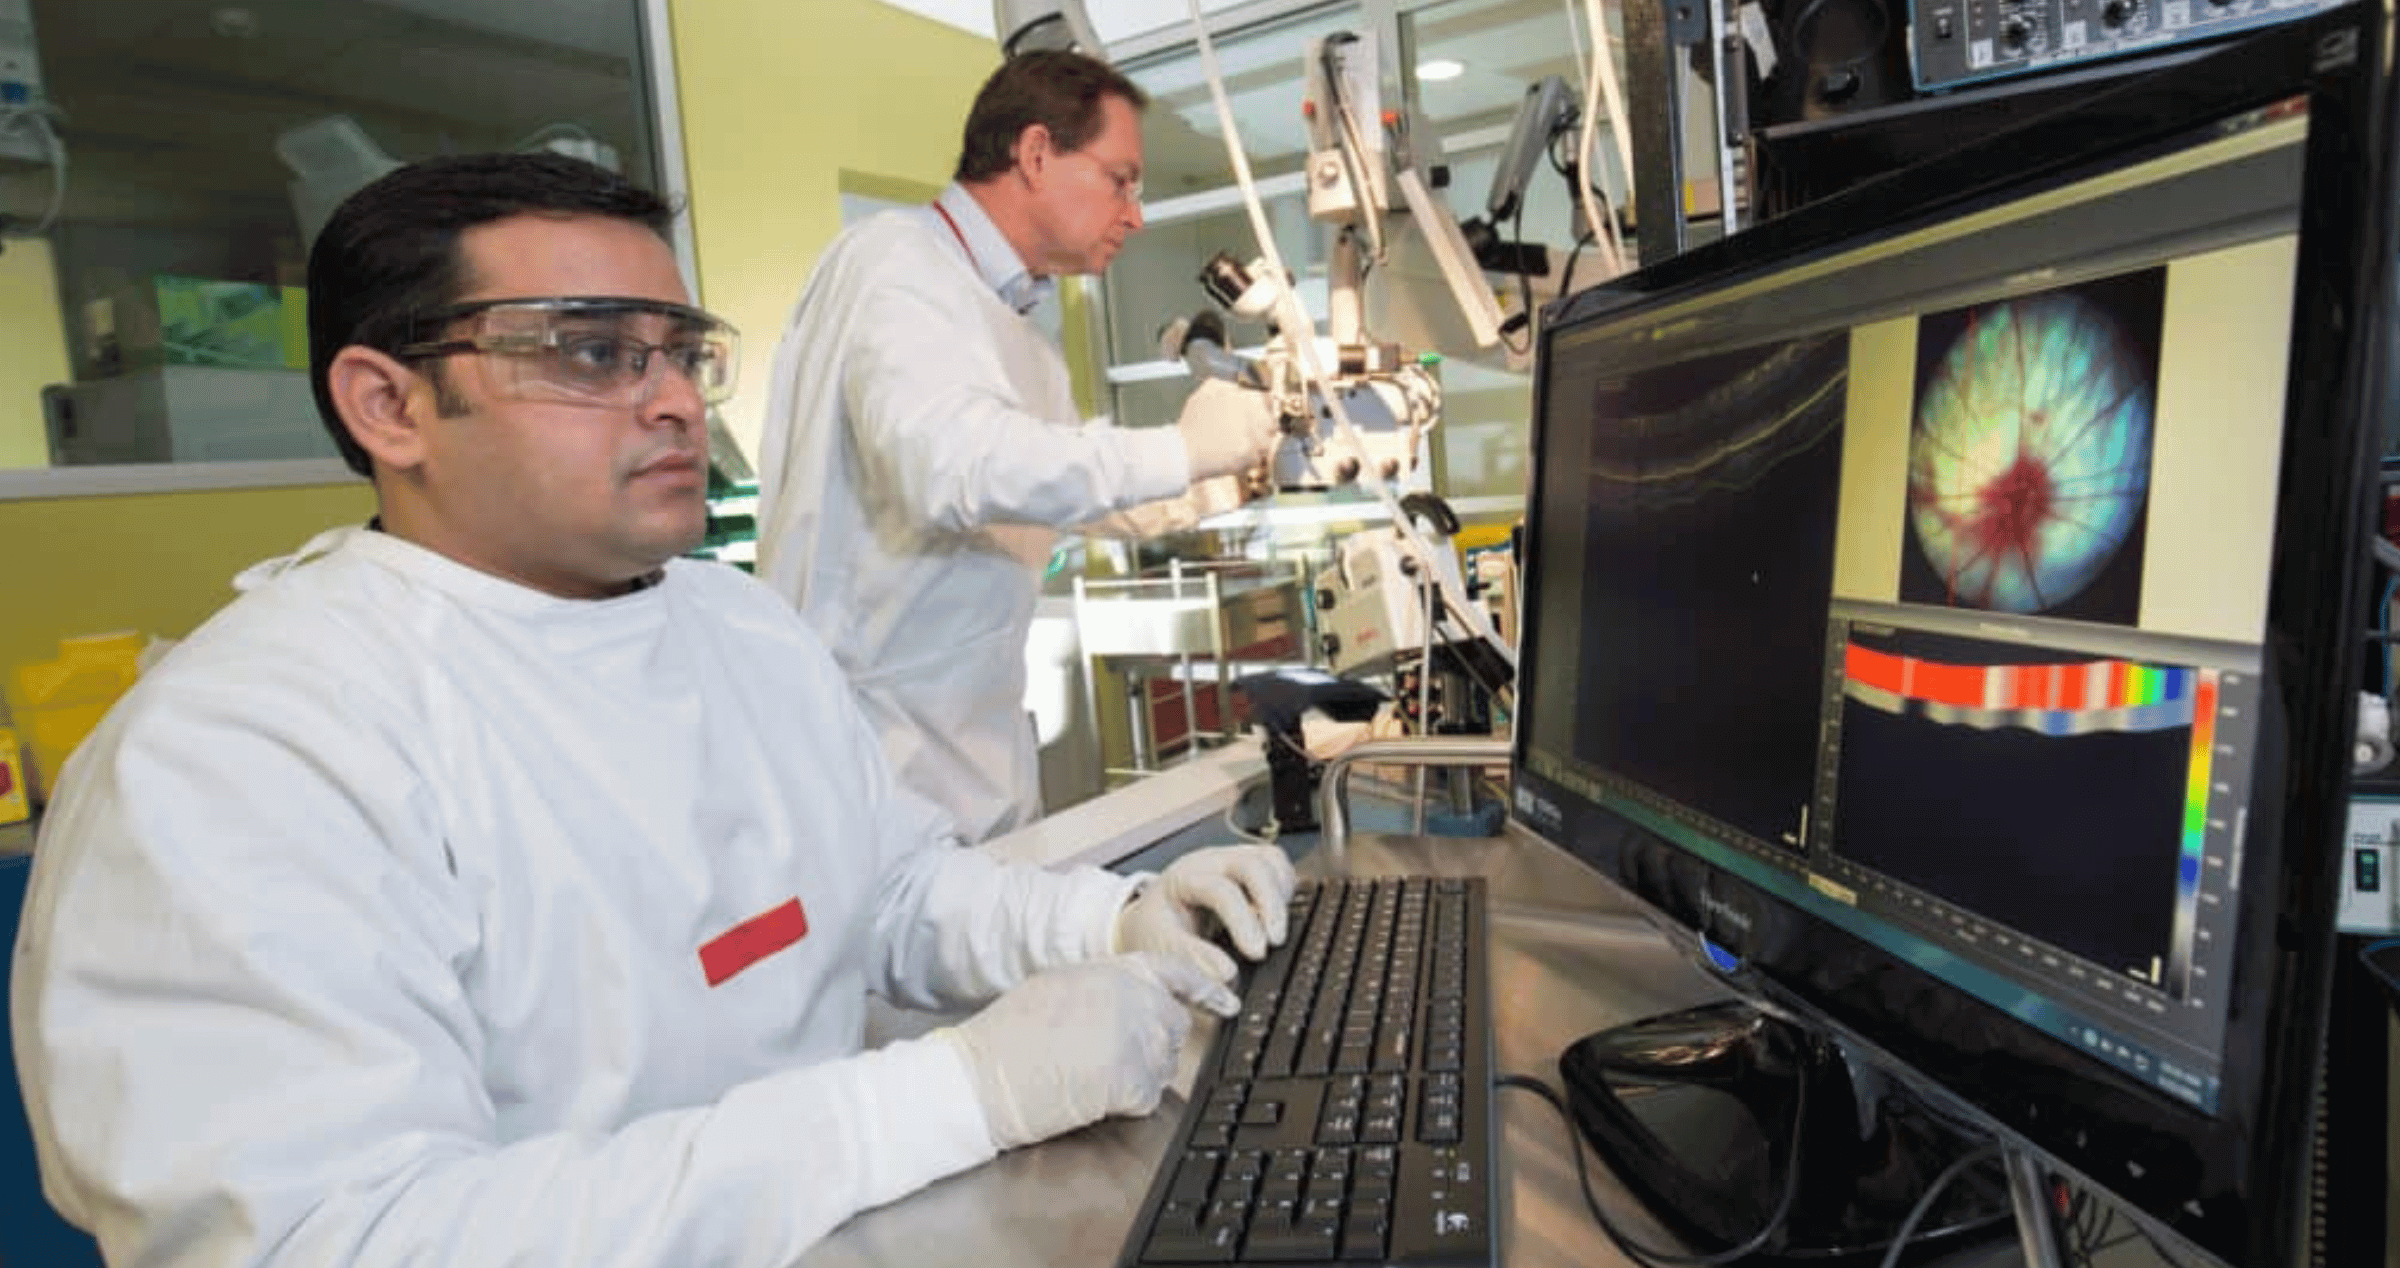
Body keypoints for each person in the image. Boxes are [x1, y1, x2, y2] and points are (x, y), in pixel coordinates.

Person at [7, 152, 1298, 1268]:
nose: (679, 398)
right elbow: (353, 1243)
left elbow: (886, 887)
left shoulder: (731, 626)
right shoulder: (245, 751)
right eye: (592, 352)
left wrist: (1113, 917)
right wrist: (951, 1097)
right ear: (387, 405)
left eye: (679, 350)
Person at [754, 49, 1280, 844]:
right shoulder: (894, 264)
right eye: (1122, 180)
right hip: (871, 784)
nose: (1135, 215)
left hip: (974, 772)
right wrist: (1182, 448)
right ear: (1037, 154)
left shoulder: (1018, 330)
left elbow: (1075, 492)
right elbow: (957, 468)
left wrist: (1235, 471)